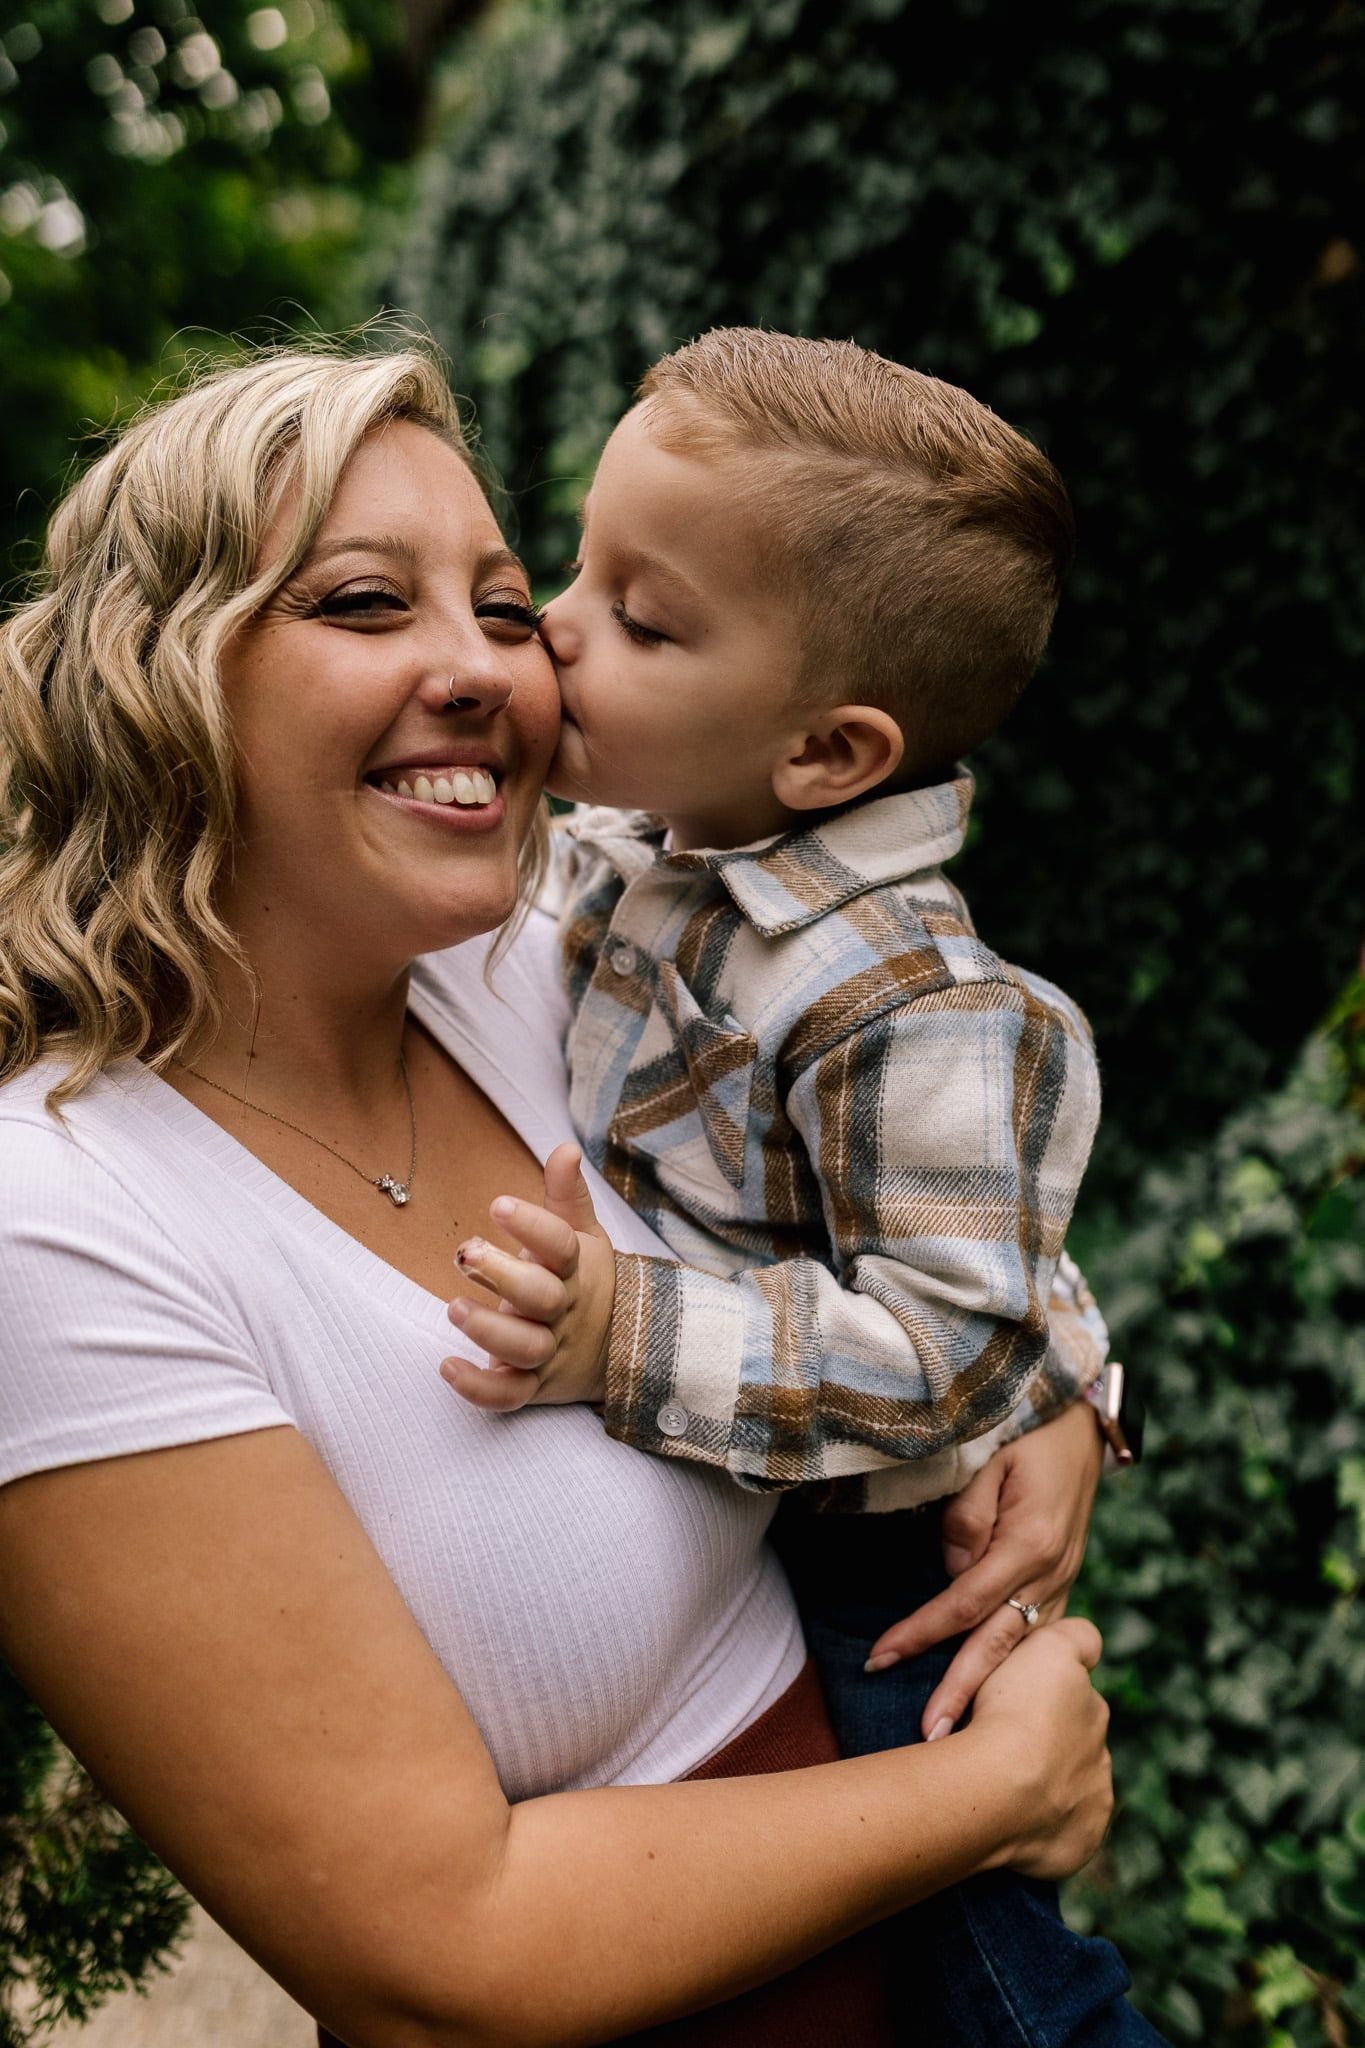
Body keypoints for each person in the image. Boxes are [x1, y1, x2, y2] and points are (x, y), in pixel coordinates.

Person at [0, 340, 1113, 2048]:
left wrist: (1054, 1384)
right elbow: (435, 1957)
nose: (494, 665)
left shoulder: (555, 965)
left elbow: (920, 1166)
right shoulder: (55, 1220)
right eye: (367, 603)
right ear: (156, 668)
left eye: (505, 605)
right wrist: (1001, 1791)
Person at [439, 329, 1163, 2044]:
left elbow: (947, 1337)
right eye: (577, 565)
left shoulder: (910, 1005)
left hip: (874, 1555)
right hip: (760, 1522)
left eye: (641, 616)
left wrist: (626, 1328)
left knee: (986, 1963)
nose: (551, 626)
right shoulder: (648, 854)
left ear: (829, 755)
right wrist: (1075, 1370)